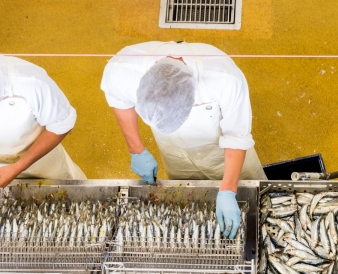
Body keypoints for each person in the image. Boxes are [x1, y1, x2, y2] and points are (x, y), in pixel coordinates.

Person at [101, 41, 267, 239]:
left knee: (249, 185)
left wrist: (229, 191)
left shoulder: (225, 78)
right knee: (186, 184)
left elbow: (236, 136)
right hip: (174, 148)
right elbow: (119, 99)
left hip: (222, 150)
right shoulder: (122, 69)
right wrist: (137, 150)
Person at [0, 56, 86, 186]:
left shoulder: (32, 82)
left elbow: (61, 123)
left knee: (66, 188)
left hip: (40, 160)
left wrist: (18, 167)